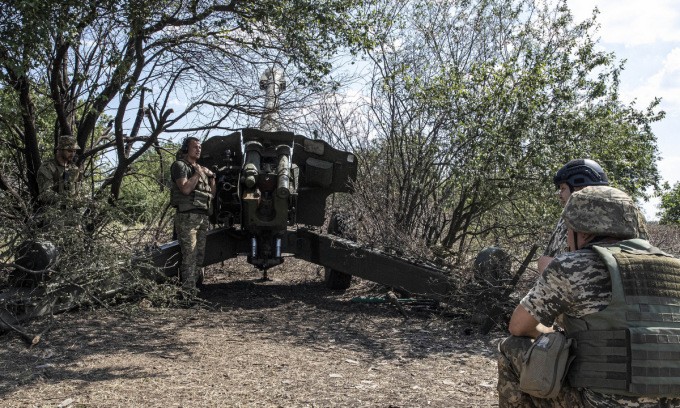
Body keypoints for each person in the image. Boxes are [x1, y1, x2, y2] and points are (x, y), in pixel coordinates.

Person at [498, 186, 680, 407]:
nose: (567, 239)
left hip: (600, 402)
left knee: (511, 347)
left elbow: (518, 326)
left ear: (582, 232)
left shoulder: (572, 265)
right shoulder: (675, 267)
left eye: (568, 230)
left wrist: (556, 335)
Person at [537, 158, 648, 273]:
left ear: (579, 187)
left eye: (563, 189)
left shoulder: (572, 217)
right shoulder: (632, 211)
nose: (560, 195)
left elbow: (553, 263)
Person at [170, 137, 216, 293]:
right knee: (189, 256)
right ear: (186, 148)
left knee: (199, 257)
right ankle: (188, 294)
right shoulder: (180, 166)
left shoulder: (201, 169)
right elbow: (185, 189)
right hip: (187, 218)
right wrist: (197, 174)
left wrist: (211, 178)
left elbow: (211, 194)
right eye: (195, 147)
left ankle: (194, 289)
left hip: (202, 217)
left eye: (200, 147)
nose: (198, 149)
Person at [37, 135, 82, 205]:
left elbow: (77, 194)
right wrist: (66, 201)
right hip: (52, 212)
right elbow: (45, 194)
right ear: (60, 150)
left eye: (74, 151)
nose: (73, 154)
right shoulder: (48, 167)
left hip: (71, 213)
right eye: (69, 151)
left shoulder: (74, 169)